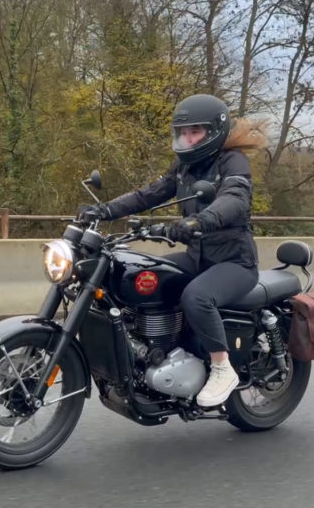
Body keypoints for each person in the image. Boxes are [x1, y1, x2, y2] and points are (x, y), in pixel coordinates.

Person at [81, 94, 265, 408]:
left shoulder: (232, 161)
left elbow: (234, 199)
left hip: (234, 262)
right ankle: (159, 355)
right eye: (183, 132)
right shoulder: (184, 166)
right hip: (196, 257)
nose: (188, 138)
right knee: (148, 280)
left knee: (196, 296)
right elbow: (149, 194)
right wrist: (104, 210)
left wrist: (198, 221)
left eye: (196, 131)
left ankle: (222, 368)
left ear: (215, 131)